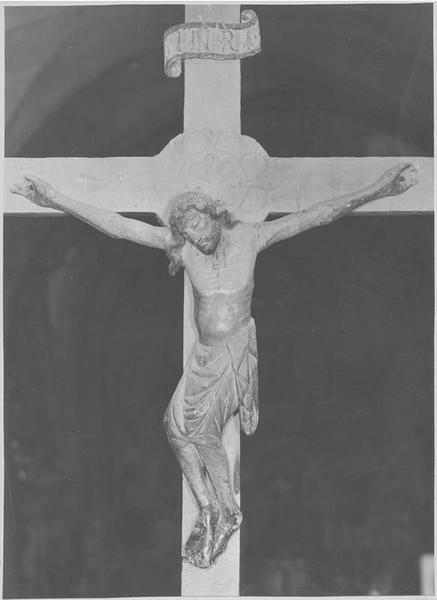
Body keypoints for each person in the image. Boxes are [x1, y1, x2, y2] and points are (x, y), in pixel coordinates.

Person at [11, 161, 418, 568]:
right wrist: (53, 199)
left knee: (202, 430)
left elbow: (315, 215)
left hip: (234, 350)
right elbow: (120, 227)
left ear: (213, 213)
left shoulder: (252, 236)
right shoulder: (185, 249)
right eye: (187, 231)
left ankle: (229, 509)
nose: (197, 235)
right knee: (174, 428)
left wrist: (379, 190)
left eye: (199, 225)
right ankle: (207, 509)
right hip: (204, 356)